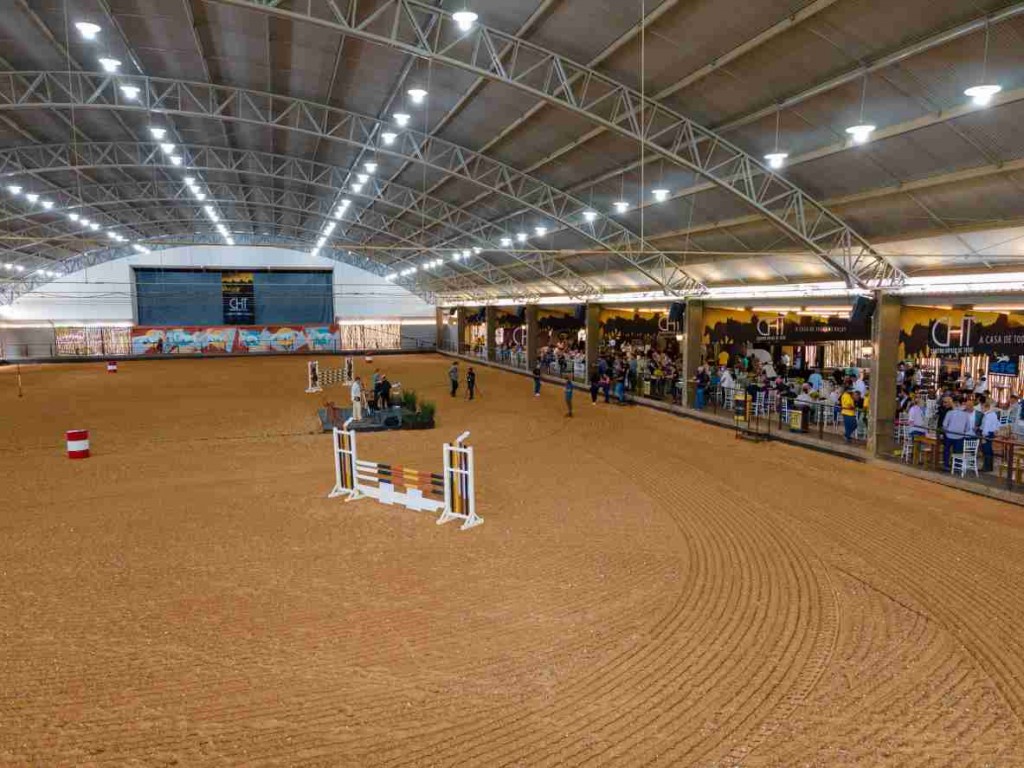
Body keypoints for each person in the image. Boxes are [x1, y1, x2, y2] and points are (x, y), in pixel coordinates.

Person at [942, 397, 975, 469]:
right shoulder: (966, 415)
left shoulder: (949, 413)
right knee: (958, 452)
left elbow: (944, 425)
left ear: (955, 404)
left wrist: (947, 431)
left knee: (947, 450)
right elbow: (968, 428)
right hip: (960, 436)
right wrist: (962, 431)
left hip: (949, 435)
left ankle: (946, 465)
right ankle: (957, 466)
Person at [980, 399, 1000, 472]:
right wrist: (996, 430)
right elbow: (998, 423)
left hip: (987, 434)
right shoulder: (994, 414)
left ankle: (986, 467)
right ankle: (989, 467)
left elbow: (986, 426)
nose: (981, 409)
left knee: (986, 450)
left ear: (987, 407)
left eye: (982, 408)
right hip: (991, 433)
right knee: (989, 450)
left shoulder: (988, 415)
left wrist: (984, 437)